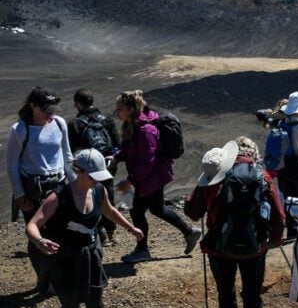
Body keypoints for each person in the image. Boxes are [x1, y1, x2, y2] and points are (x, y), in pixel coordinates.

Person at [26, 149, 144, 308]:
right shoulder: (59, 196)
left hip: (90, 256)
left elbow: (108, 211)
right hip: (64, 262)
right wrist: (40, 241)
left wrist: (130, 228)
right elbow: (32, 224)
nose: (96, 181)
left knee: (95, 303)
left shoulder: (98, 191)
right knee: (70, 304)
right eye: (92, 176)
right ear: (79, 171)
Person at [184, 138, 285, 308]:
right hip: (254, 249)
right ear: (254, 155)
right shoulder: (263, 177)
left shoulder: (216, 174)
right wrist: (275, 240)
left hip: (218, 249)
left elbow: (192, 211)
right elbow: (278, 216)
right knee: (252, 297)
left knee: (225, 292)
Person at [113, 90, 199, 263]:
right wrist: (116, 157)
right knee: (156, 209)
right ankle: (189, 232)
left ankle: (142, 249)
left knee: (137, 211)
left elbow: (147, 162)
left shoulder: (146, 129)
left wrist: (130, 181)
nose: (117, 112)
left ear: (130, 109)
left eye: (119, 108)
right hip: (150, 177)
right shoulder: (133, 124)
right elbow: (132, 150)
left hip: (152, 177)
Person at [6, 87, 75, 292]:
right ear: (32, 106)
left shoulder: (60, 124)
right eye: (46, 109)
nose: (50, 113)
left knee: (60, 231)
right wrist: (19, 194)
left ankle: (58, 277)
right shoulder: (20, 129)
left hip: (59, 185)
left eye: (52, 108)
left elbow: (67, 157)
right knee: (37, 236)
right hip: (33, 189)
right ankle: (44, 280)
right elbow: (11, 164)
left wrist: (77, 187)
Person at [67, 88, 121, 246]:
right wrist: (113, 159)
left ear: (77, 104)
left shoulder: (75, 123)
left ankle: (98, 232)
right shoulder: (106, 120)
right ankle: (111, 233)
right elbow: (117, 146)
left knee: (88, 198)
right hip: (106, 167)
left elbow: (71, 150)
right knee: (107, 198)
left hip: (86, 170)